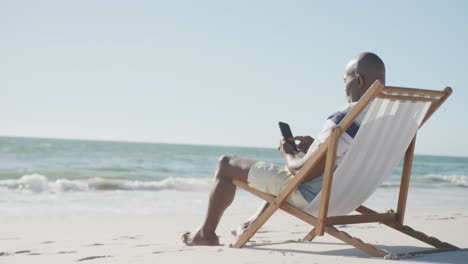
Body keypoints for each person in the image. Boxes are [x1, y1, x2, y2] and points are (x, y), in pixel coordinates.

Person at [182, 52, 386, 246]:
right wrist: (317, 147)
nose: (344, 87)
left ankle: (205, 234)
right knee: (286, 172)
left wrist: (288, 153)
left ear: (358, 81)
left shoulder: (345, 118)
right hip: (349, 197)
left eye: (345, 80)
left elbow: (302, 174)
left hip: (314, 198)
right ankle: (249, 224)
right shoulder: (387, 120)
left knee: (226, 163)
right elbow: (345, 158)